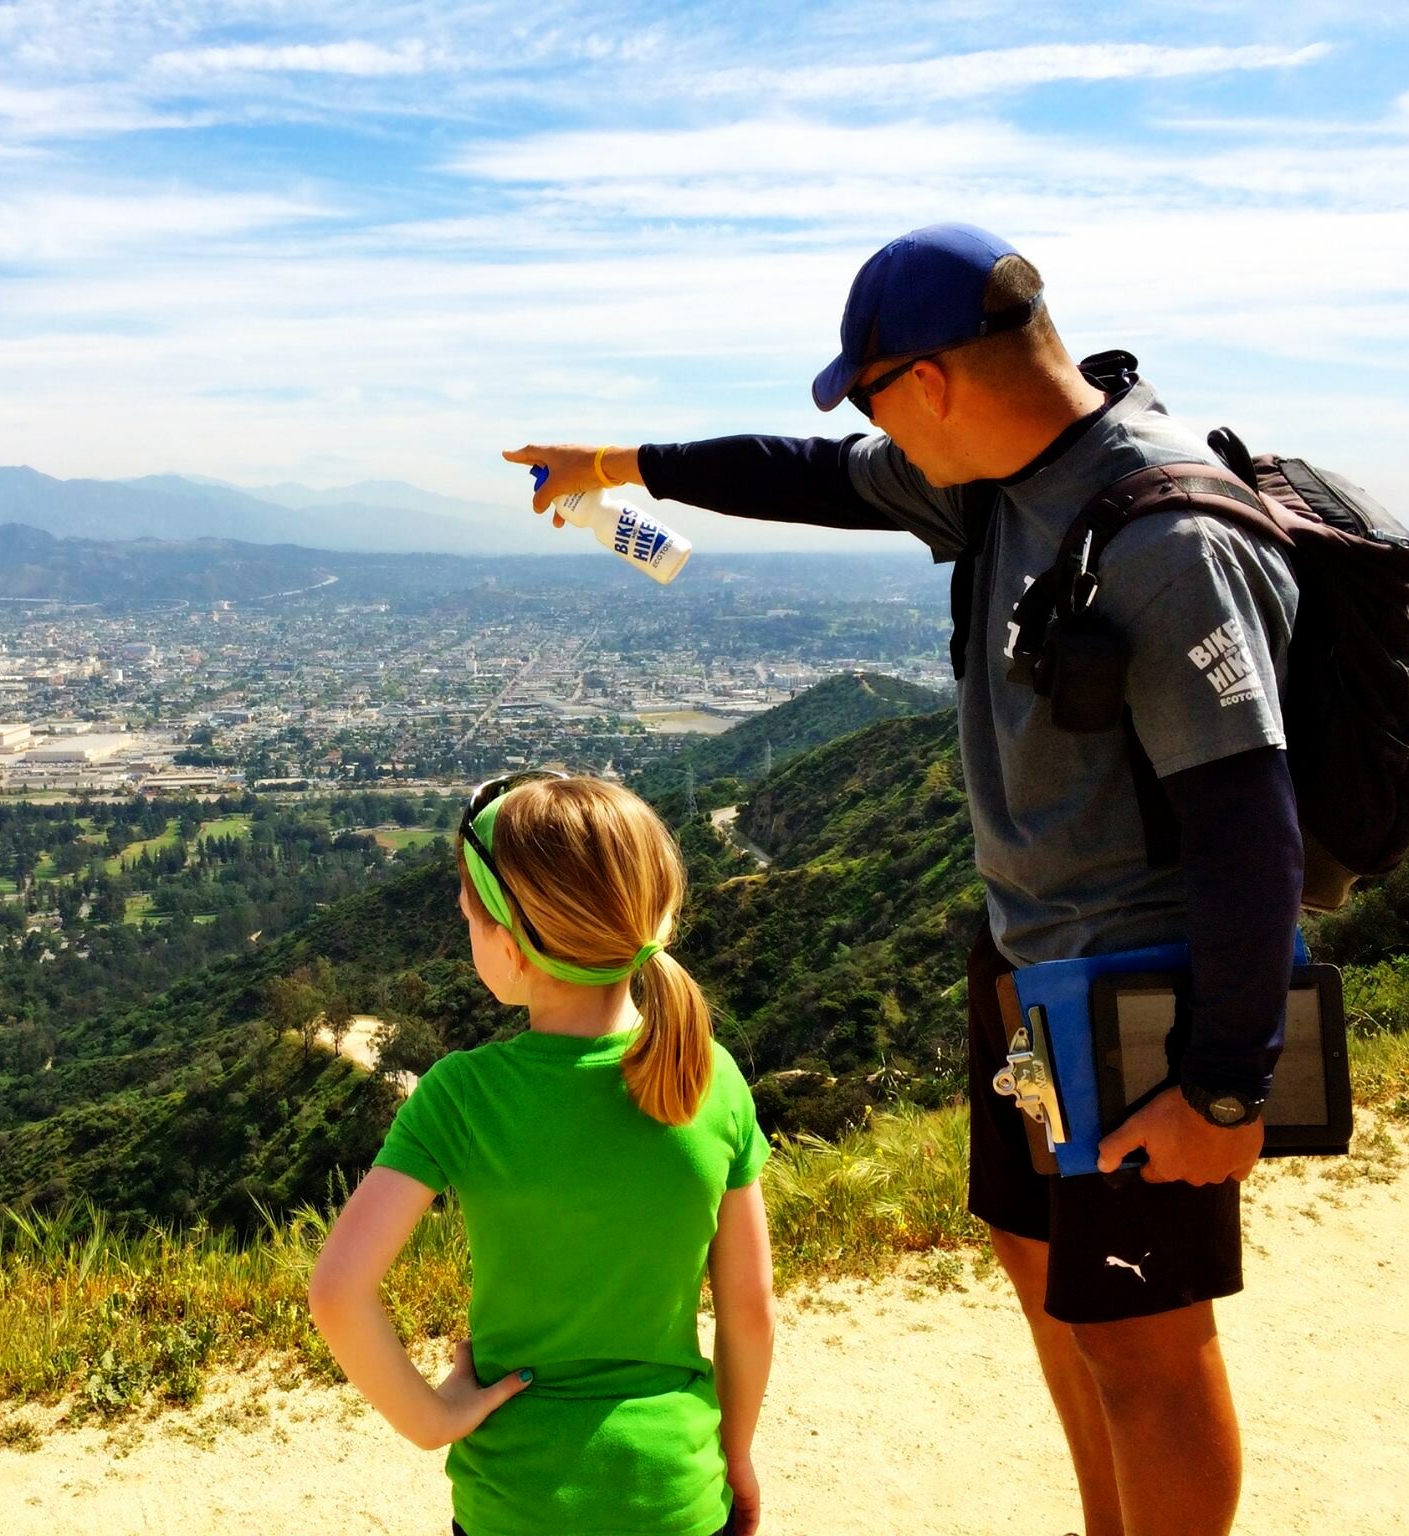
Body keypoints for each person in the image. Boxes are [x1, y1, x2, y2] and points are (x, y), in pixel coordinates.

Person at [504, 223, 1302, 1536]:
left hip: (1140, 999)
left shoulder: (1163, 537)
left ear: (926, 382)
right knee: (1051, 1288)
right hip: (1028, 967)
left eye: (872, 399)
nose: (871, 433)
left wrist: (1225, 1081)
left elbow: (1249, 826)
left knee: (1147, 1349)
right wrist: (619, 467)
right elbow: (807, 474)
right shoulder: (992, 480)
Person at [309, 771, 776, 1536]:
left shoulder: (464, 1095)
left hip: (513, 1505)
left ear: (512, 946)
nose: (465, 928)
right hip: (678, 1498)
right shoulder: (710, 1077)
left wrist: (432, 1420)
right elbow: (749, 1309)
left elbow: (337, 1293)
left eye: (469, 916)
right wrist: (738, 1455)